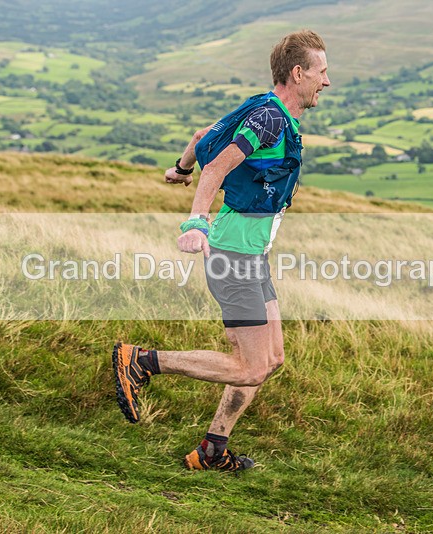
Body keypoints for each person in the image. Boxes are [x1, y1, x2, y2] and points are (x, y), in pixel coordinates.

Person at [113, 30, 330, 472]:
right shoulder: (269, 119)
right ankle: (141, 361)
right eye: (321, 72)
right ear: (298, 73)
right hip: (233, 255)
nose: (326, 81)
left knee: (271, 359)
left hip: (252, 255)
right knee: (250, 367)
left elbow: (203, 136)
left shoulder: (264, 108)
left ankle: (213, 449)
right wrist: (196, 222)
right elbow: (216, 167)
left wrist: (181, 168)